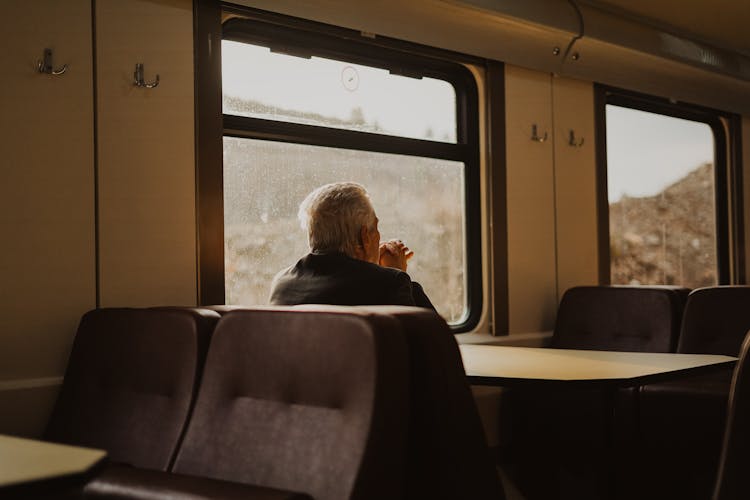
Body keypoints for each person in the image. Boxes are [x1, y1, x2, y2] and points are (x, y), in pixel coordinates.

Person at [269, 182, 435, 310]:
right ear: (365, 237)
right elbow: (431, 348)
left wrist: (373, 268)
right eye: (375, 228)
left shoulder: (281, 282)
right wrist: (396, 272)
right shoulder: (390, 283)